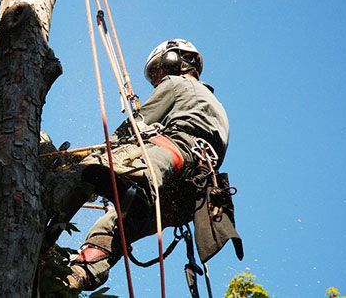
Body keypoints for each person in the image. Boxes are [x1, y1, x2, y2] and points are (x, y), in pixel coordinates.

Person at [45, 39, 234, 291]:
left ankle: (41, 214)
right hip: (186, 197)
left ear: (175, 60)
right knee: (113, 228)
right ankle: (77, 276)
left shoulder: (176, 84)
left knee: (90, 169)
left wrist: (80, 158)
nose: (157, 77)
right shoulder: (215, 104)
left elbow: (133, 128)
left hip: (170, 156)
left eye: (159, 68)